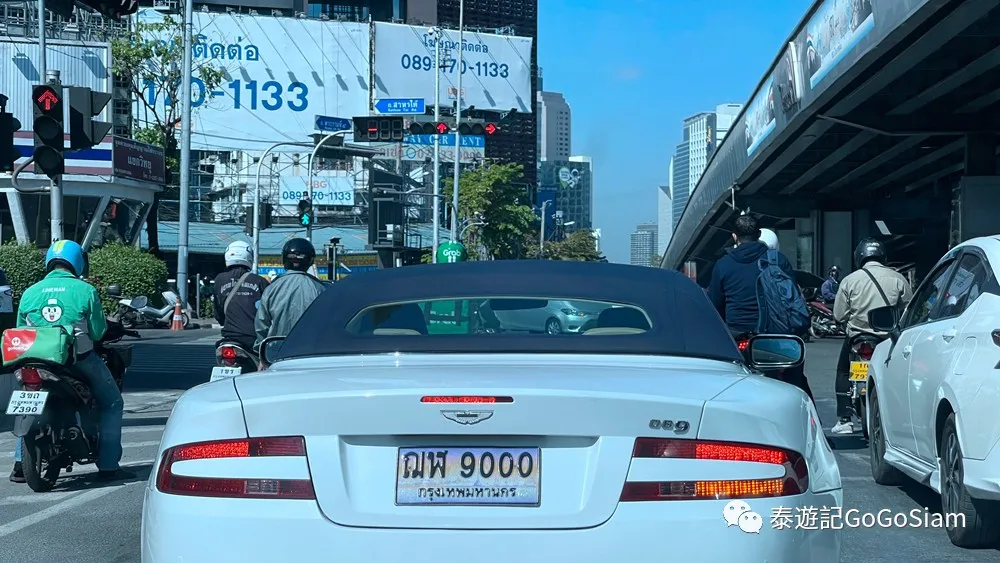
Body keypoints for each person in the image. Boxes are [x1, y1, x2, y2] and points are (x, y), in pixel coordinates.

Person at [10, 240, 131, 483]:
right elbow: (97, 332)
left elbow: (21, 330)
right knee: (112, 403)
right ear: (78, 261)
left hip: (35, 361)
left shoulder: (30, 292)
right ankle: (108, 465)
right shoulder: (85, 291)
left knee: (28, 403)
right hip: (77, 361)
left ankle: (20, 464)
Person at [709, 215, 814, 401]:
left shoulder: (723, 265)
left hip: (737, 337)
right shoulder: (778, 260)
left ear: (734, 236)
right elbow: (791, 298)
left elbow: (715, 305)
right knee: (796, 384)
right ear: (758, 235)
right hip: (774, 338)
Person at [831, 238, 912, 434]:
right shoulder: (898, 278)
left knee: (843, 371)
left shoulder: (849, 280)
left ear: (859, 257)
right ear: (882, 256)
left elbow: (839, 315)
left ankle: (845, 419)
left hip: (858, 339)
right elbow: (909, 309)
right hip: (888, 339)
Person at [254, 238, 326, 348]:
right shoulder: (320, 289)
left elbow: (261, 326)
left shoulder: (272, 288)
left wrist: (262, 350)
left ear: (284, 259)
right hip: (310, 351)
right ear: (311, 261)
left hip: (278, 352)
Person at [213, 241, 269, 353]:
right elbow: (268, 312)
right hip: (253, 337)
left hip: (229, 336)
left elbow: (218, 311)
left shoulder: (219, 280)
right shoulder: (260, 281)